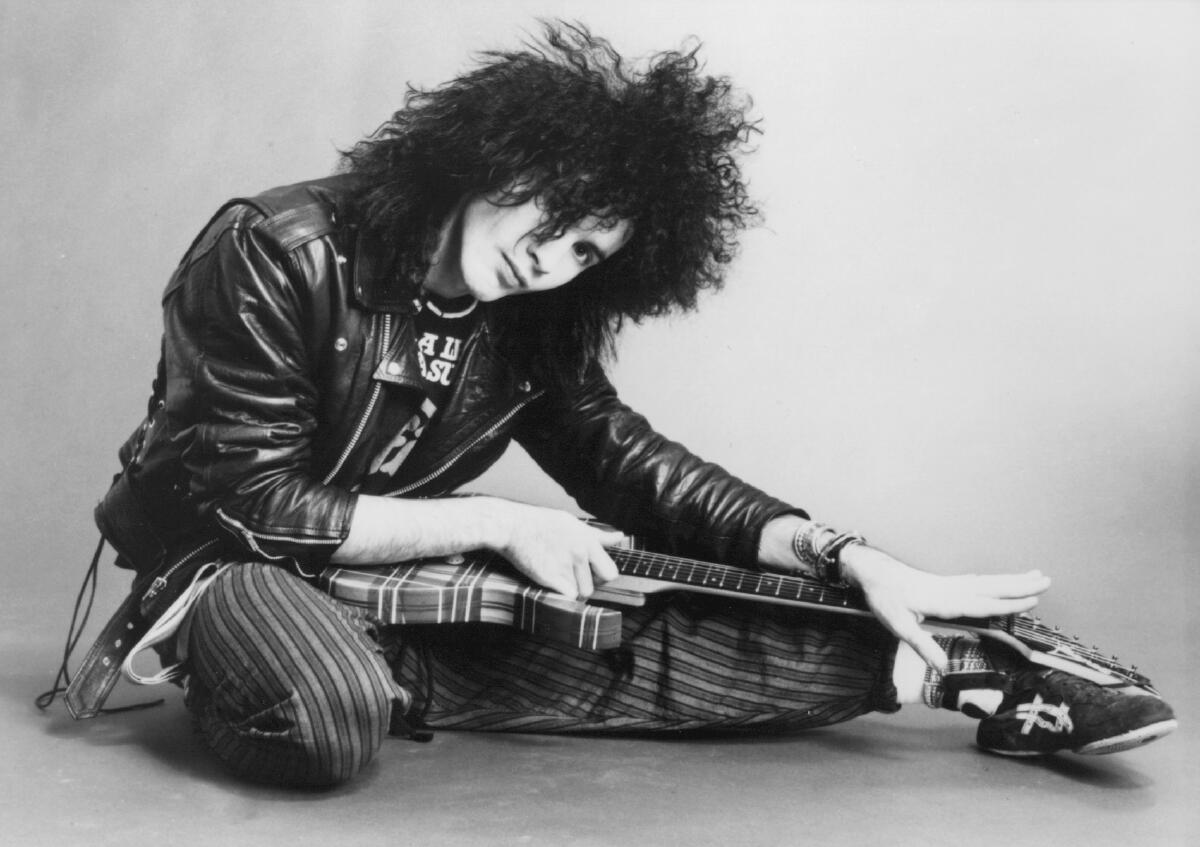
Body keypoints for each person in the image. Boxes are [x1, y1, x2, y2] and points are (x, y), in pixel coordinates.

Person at [54, 22, 1174, 786]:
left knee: (615, 610)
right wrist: (495, 520)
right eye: (552, 210)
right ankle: (358, 664)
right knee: (330, 718)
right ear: (490, 155)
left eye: (588, 250)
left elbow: (627, 463)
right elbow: (248, 499)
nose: (550, 259)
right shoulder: (279, 246)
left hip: (389, 574)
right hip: (228, 562)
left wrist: (842, 551)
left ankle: (962, 668)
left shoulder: (532, 316)